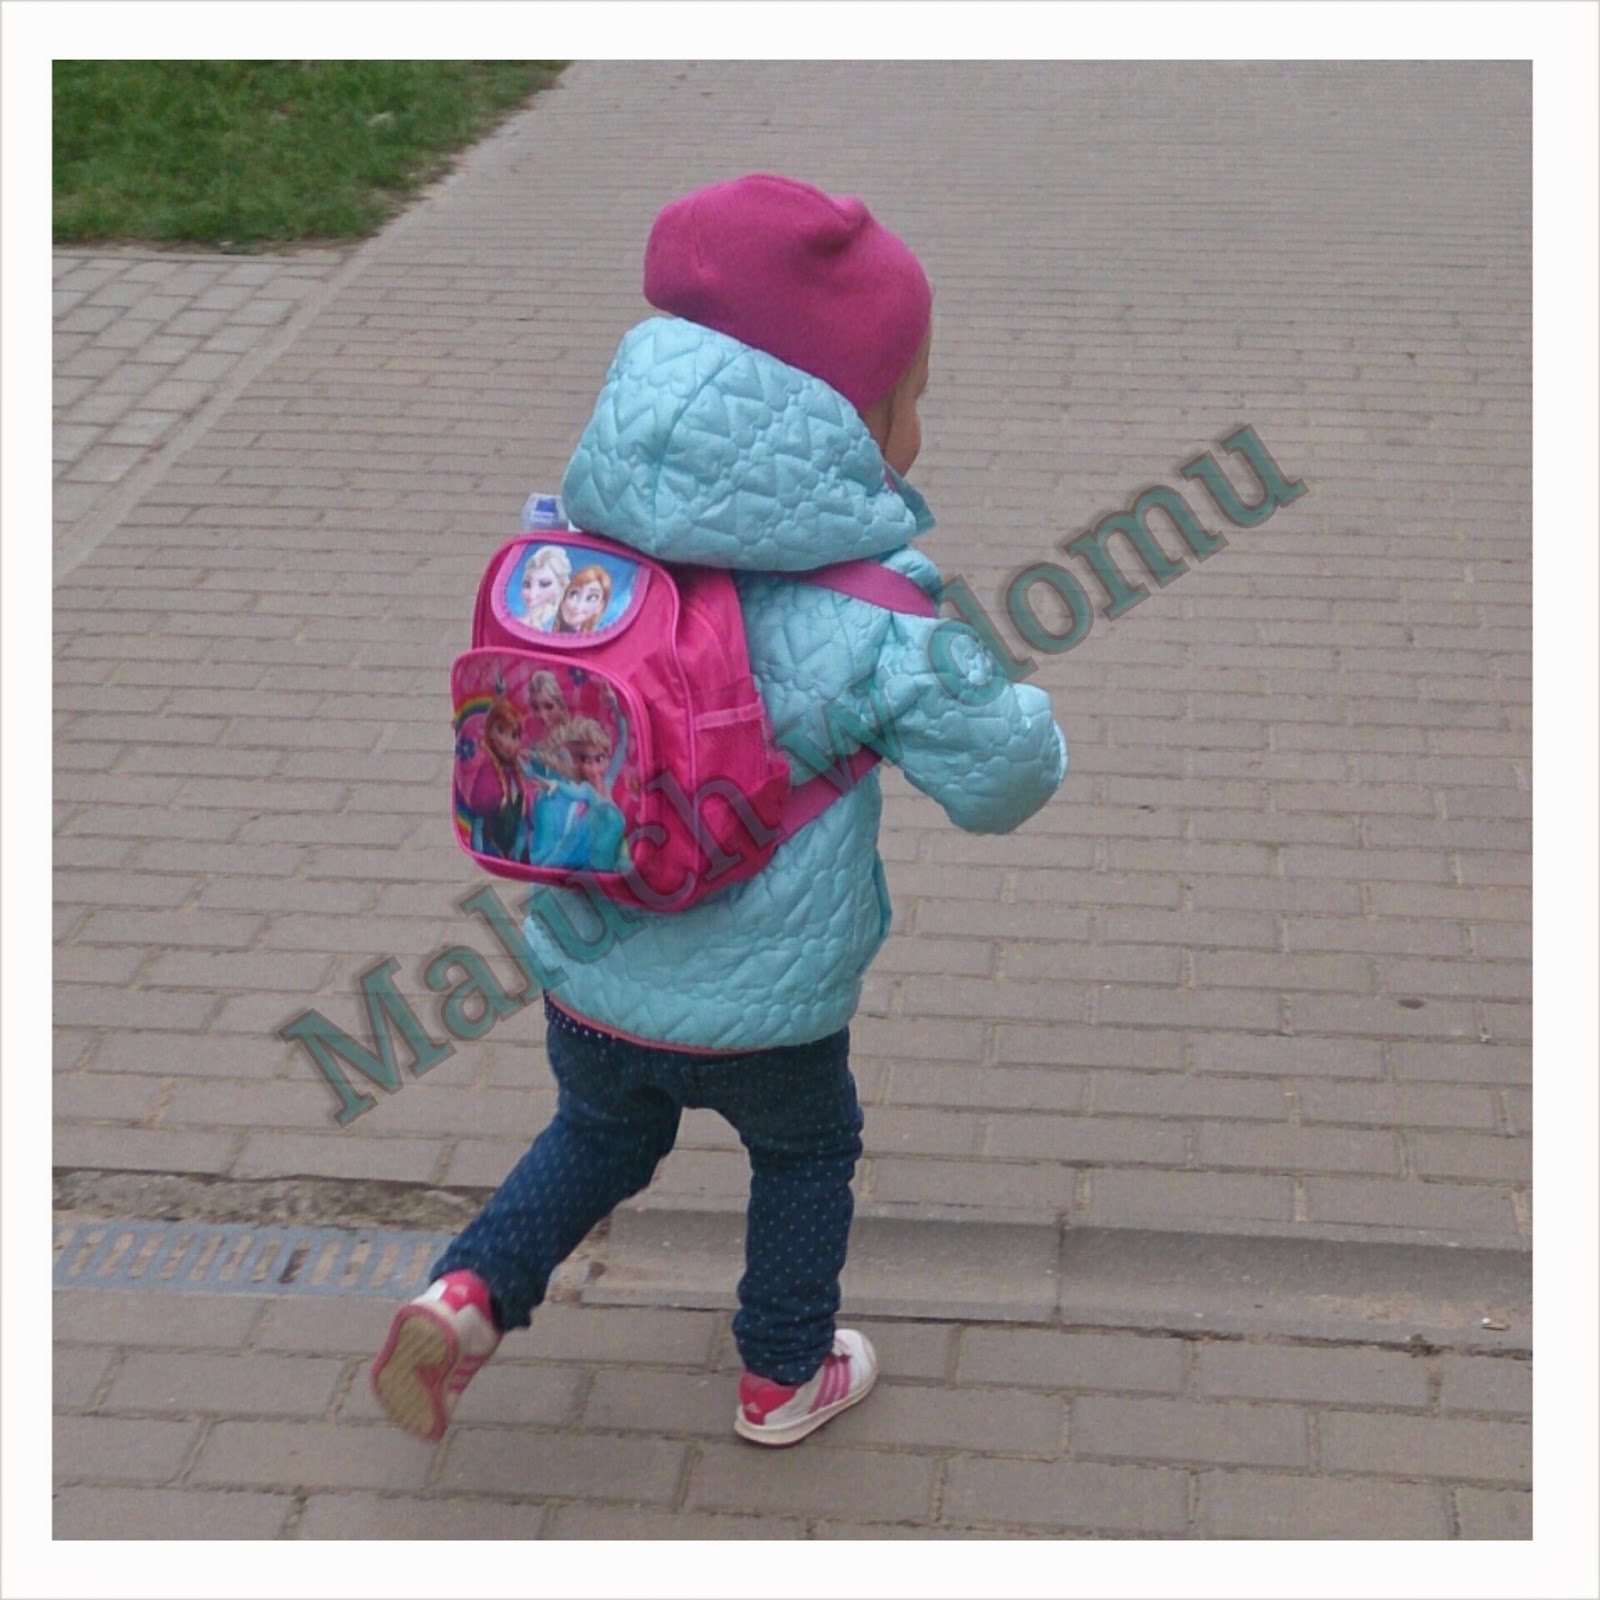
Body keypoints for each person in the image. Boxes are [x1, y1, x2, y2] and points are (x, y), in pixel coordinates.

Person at [372, 174, 1067, 1448]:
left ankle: (465, 1293)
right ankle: (781, 1374)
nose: (920, 423)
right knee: (805, 1154)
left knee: (598, 1131)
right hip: (775, 1009)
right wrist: (1025, 719)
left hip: (593, 968)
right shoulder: (878, 610)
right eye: (912, 397)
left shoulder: (583, 554)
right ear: (850, 418)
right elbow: (1000, 779)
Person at [517, 545, 571, 631]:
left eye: (544, 584)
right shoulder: (513, 622)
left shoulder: (565, 623)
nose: (532, 594)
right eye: (527, 584)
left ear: (561, 586)